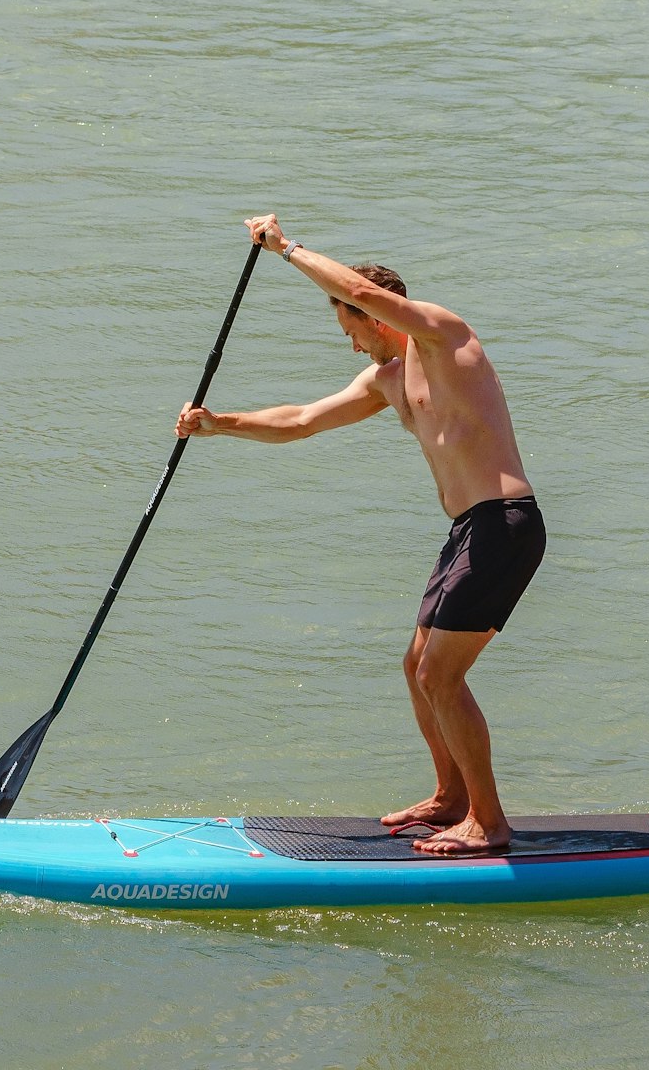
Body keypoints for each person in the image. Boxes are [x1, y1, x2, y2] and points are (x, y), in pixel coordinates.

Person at [179, 216, 541, 857]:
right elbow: (300, 421)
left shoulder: (443, 336)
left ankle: (490, 823)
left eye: (349, 329)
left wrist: (285, 249)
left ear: (374, 317)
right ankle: (451, 796)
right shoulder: (386, 380)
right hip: (466, 531)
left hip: (504, 525)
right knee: (416, 666)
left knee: (440, 675)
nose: (351, 347)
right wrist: (220, 424)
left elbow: (369, 296)